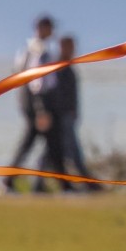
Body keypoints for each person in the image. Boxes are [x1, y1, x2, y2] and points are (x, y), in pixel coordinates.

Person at [36, 35, 98, 192]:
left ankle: (41, 184)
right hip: (62, 116)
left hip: (67, 115)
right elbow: (51, 93)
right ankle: (87, 183)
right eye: (69, 47)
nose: (72, 50)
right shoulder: (59, 69)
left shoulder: (67, 68)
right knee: (69, 151)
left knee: (54, 151)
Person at [7, 15, 58, 190]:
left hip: (32, 104)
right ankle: (11, 180)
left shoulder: (28, 49)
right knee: (40, 143)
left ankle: (36, 183)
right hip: (39, 104)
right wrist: (41, 109)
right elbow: (37, 82)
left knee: (42, 144)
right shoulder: (38, 50)